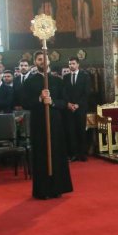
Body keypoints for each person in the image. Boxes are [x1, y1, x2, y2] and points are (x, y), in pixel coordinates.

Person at [19, 51, 73, 200]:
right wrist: (39, 98)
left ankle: (58, 187)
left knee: (56, 152)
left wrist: (53, 102)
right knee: (41, 154)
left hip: (55, 122)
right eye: (39, 59)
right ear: (35, 62)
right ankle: (42, 190)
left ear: (49, 61)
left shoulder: (57, 80)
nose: (42, 61)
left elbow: (64, 102)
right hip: (38, 123)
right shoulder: (29, 82)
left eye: (44, 59)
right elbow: (24, 103)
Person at [63, 58, 91, 161]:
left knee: (81, 130)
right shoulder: (65, 77)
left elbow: (86, 92)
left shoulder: (85, 76)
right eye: (70, 64)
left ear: (78, 65)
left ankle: (82, 154)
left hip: (81, 108)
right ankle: (72, 154)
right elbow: (64, 93)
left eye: (73, 64)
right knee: (71, 131)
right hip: (69, 109)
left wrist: (78, 104)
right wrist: (69, 104)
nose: (71, 66)